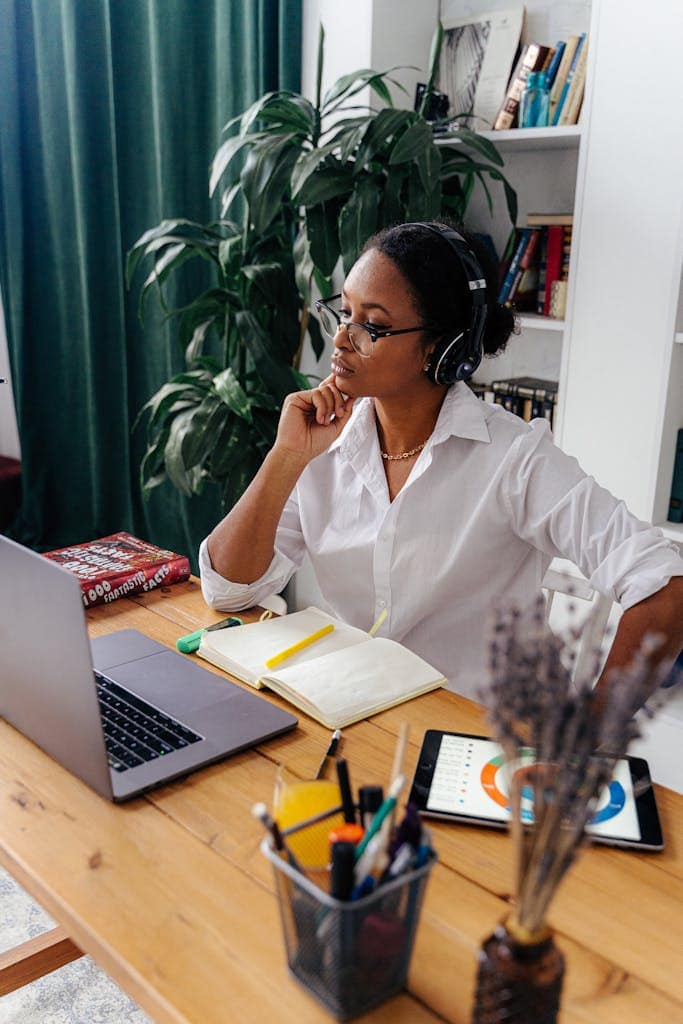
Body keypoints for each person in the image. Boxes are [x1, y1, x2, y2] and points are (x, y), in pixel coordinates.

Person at [199, 221, 683, 702]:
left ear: (440, 347)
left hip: (483, 736)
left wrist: (588, 731)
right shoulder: (323, 440)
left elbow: (667, 586)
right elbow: (228, 591)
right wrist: (286, 457)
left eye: (373, 326)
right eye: (344, 313)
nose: (342, 340)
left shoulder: (513, 458)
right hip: (364, 714)